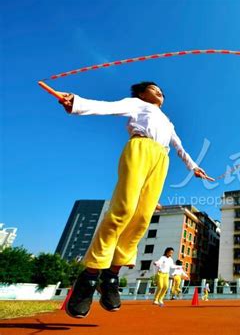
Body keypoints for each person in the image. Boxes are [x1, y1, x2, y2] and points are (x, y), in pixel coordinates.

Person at [60, 82, 213, 318]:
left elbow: (179, 146)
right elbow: (107, 107)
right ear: (142, 93)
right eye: (154, 88)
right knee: (123, 209)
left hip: (161, 160)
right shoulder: (138, 104)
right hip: (139, 148)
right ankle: (89, 278)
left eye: (162, 90)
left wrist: (194, 167)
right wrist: (77, 103)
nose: (160, 92)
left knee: (142, 218)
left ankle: (111, 276)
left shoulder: (168, 121)